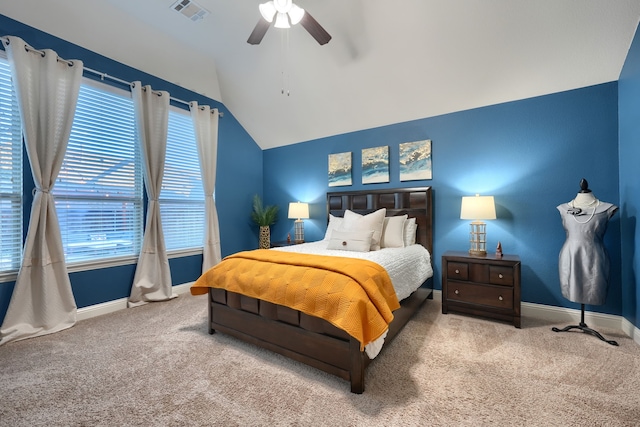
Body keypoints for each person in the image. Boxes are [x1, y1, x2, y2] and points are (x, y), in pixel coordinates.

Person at [557, 179, 618, 305]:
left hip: (595, 254)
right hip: (570, 254)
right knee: (571, 285)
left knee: (594, 285)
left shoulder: (606, 209)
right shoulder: (564, 209)